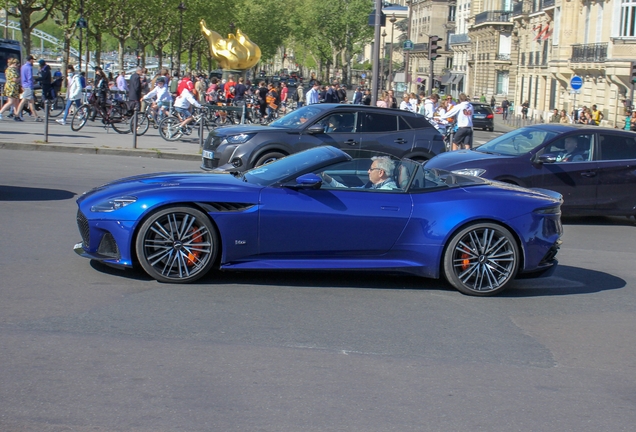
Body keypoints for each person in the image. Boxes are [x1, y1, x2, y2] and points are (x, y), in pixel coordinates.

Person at [321, 156, 398, 190]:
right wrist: (325, 177)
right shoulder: (373, 186)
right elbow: (349, 191)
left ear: (381, 173)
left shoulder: (385, 192)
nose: (368, 171)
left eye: (371, 169)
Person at [16, 55, 40, 122]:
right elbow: (29, 77)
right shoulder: (29, 67)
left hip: (24, 85)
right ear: (31, 60)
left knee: (31, 102)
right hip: (29, 86)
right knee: (24, 101)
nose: (33, 61)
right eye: (33, 60)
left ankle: (36, 116)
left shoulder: (23, 67)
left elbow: (22, 76)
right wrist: (32, 84)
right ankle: (17, 114)